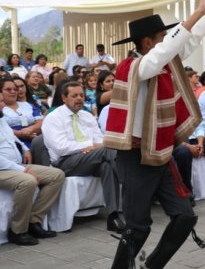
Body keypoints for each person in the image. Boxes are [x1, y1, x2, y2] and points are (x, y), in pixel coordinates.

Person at [101, 0, 205, 269]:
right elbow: (170, 49)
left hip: (159, 152)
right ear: (148, 42)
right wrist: (194, 12)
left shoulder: (159, 62)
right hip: (136, 155)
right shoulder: (136, 67)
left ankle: (152, 268)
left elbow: (186, 42)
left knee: (184, 217)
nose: (168, 41)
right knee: (137, 226)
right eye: (162, 36)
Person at [43, 80, 122, 225]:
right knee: (109, 151)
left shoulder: (87, 116)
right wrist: (89, 145)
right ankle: (130, 179)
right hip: (65, 162)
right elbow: (61, 147)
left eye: (81, 95)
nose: (79, 98)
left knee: (107, 165)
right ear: (64, 98)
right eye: (74, 96)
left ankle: (113, 215)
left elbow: (100, 140)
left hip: (91, 158)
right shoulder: (53, 118)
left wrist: (93, 147)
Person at [0, 112, 64, 245]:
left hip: (15, 166)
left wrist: (25, 149)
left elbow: (12, 138)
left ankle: (34, 221)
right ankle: (17, 231)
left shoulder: (2, 120)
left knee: (56, 175)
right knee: (27, 181)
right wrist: (24, 170)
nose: (2, 105)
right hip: (4, 169)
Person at [1, 77, 42, 148]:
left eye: (15, 89)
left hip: (35, 141)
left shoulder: (28, 105)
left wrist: (30, 129)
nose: (13, 91)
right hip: (11, 144)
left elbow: (40, 122)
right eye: (8, 89)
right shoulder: (0, 108)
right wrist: (19, 134)